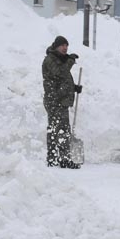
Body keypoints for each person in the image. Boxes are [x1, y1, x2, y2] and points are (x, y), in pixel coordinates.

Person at [41, 35, 82, 169]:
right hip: (54, 101)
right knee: (56, 130)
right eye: (62, 45)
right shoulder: (50, 59)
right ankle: (55, 158)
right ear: (56, 46)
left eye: (66, 45)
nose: (65, 48)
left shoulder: (60, 60)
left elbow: (62, 81)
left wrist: (74, 87)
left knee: (62, 130)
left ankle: (61, 158)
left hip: (61, 101)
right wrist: (70, 61)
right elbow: (59, 73)